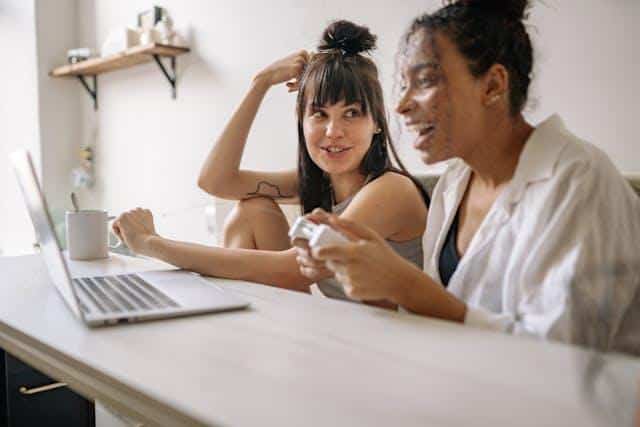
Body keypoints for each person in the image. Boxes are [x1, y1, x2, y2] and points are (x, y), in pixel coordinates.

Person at [298, 0, 640, 354]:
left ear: (492, 85)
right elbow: (438, 327)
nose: (401, 106)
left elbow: (561, 358)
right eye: (404, 85)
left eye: (426, 81)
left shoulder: (579, 181)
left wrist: (405, 286)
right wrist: (370, 274)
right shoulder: (455, 184)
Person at [113, 20, 429, 299]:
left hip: (390, 346)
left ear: (376, 122)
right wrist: (260, 83)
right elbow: (215, 181)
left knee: (256, 225)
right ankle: (233, 316)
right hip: (339, 333)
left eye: (351, 113)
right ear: (301, 121)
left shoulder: (391, 190)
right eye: (319, 114)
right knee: (251, 209)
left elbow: (293, 270)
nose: (333, 131)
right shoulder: (316, 183)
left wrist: (153, 244)